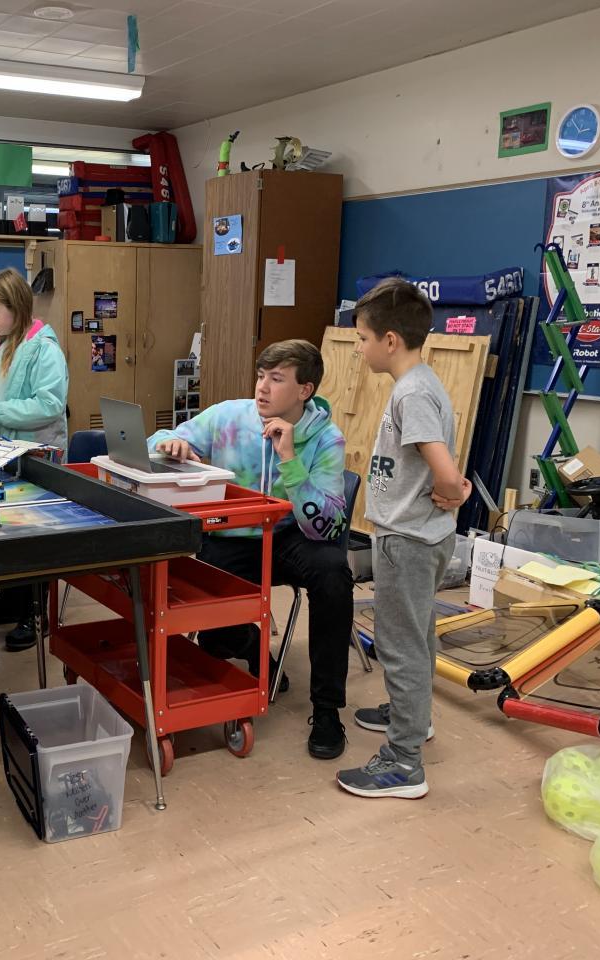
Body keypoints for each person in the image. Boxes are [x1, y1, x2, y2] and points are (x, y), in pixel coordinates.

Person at [148, 339, 353, 760]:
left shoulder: (326, 439)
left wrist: (290, 459)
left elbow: (327, 525)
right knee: (211, 629)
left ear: (304, 390)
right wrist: (172, 445)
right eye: (261, 376)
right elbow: (159, 439)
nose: (262, 387)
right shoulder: (228, 416)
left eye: (276, 379)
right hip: (232, 536)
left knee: (334, 574)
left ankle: (327, 710)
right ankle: (253, 646)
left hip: (292, 536)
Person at [337, 277, 470, 799]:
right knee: (418, 635)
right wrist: (450, 488)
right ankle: (411, 715)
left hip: (407, 540)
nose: (359, 348)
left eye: (363, 338)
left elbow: (444, 469)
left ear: (390, 340)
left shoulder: (411, 392)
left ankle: (403, 761)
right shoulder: (423, 382)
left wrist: (453, 489)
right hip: (422, 535)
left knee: (400, 645)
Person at [0, 267, 68, 652]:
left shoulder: (43, 348)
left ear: (17, 308)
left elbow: (50, 405)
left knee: (35, 537)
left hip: (37, 456)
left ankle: (36, 613)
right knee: (6, 530)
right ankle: (10, 600)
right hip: (2, 453)